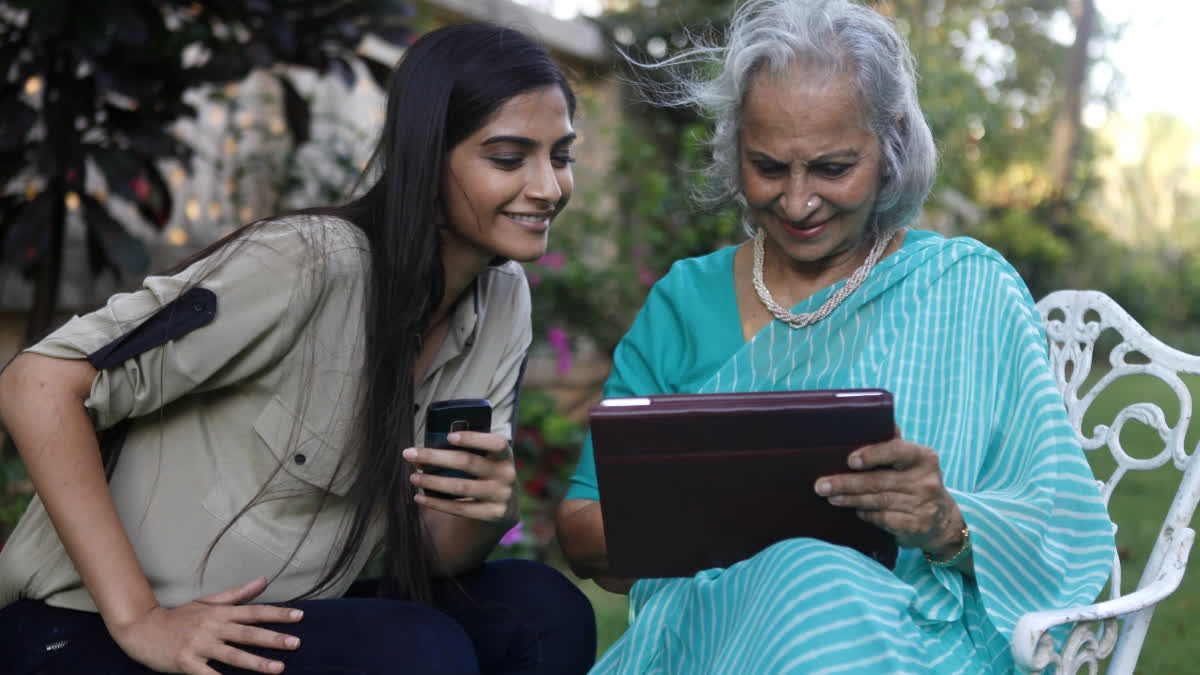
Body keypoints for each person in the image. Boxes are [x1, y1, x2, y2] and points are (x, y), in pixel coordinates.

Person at [0, 23, 596, 675]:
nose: (549, 187)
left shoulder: (502, 302)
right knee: (419, 652)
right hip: (82, 629)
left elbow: (431, 557)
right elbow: (38, 383)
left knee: (543, 608)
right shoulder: (307, 264)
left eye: (560, 156)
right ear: (427, 158)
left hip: (278, 622)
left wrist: (487, 510)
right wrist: (142, 619)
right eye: (509, 158)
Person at [556, 0, 1115, 672]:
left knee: (814, 583)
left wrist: (946, 522)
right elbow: (583, 528)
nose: (796, 202)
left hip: (911, 644)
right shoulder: (684, 302)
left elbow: (1064, 532)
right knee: (800, 573)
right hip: (719, 641)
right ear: (736, 147)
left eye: (831, 167)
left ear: (893, 144)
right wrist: (720, 516)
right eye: (768, 166)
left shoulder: (969, 289)